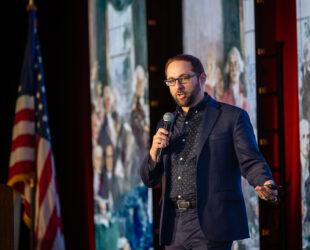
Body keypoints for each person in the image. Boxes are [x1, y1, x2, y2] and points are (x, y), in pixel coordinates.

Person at [140, 54, 278, 249]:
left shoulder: (231, 117)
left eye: (184, 78)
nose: (177, 86)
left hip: (210, 220)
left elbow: (251, 161)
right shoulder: (166, 123)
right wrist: (154, 152)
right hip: (174, 224)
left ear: (202, 78)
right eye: (171, 81)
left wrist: (264, 181)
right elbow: (150, 179)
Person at [220, 47, 249, 114]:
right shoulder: (224, 97)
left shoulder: (244, 94)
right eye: (231, 64)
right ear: (228, 68)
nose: (233, 69)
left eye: (235, 63)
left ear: (240, 66)